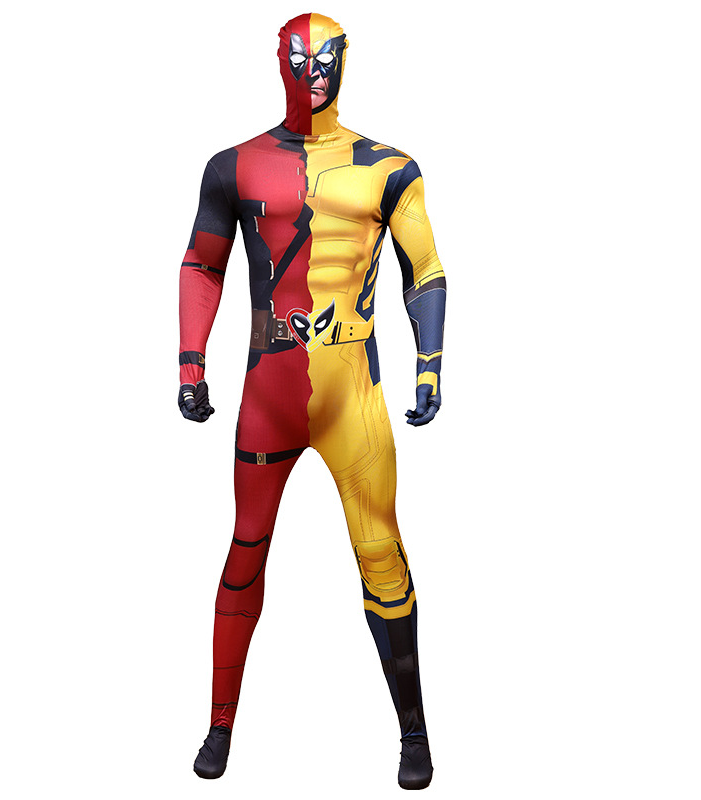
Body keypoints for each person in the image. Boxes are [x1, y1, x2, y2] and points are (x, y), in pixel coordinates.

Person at [178, 13, 447, 790]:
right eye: (302, 58)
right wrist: (191, 361)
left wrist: (430, 365)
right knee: (246, 549)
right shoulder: (234, 166)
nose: (315, 71)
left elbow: (425, 269)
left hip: (351, 394)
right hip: (269, 391)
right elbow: (202, 263)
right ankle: (219, 725)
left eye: (327, 58)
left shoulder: (390, 167)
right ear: (281, 63)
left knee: (381, 554)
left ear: (345, 61)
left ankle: (415, 733)